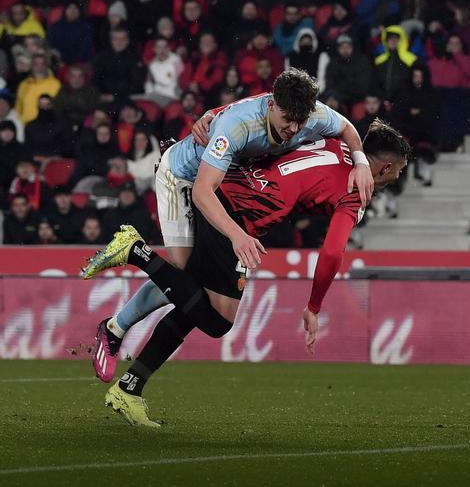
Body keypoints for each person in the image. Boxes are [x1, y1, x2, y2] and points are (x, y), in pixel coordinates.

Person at [82, 121, 410, 426]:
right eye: (399, 170)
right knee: (217, 320)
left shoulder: (334, 139)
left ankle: (130, 387)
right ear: (385, 167)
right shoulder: (358, 189)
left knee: (192, 302)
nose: (397, 178)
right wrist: (313, 306)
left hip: (224, 185)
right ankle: (135, 251)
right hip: (238, 215)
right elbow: (332, 254)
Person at [88, 68, 374, 383]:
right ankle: (133, 254)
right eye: (287, 120)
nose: (294, 129)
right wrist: (238, 236)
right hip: (182, 178)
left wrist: (360, 162)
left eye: (300, 122)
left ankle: (115, 329)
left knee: (186, 284)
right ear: (271, 105)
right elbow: (201, 192)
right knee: (183, 276)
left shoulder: (311, 114)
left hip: (221, 184)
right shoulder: (237, 127)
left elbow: (347, 127)